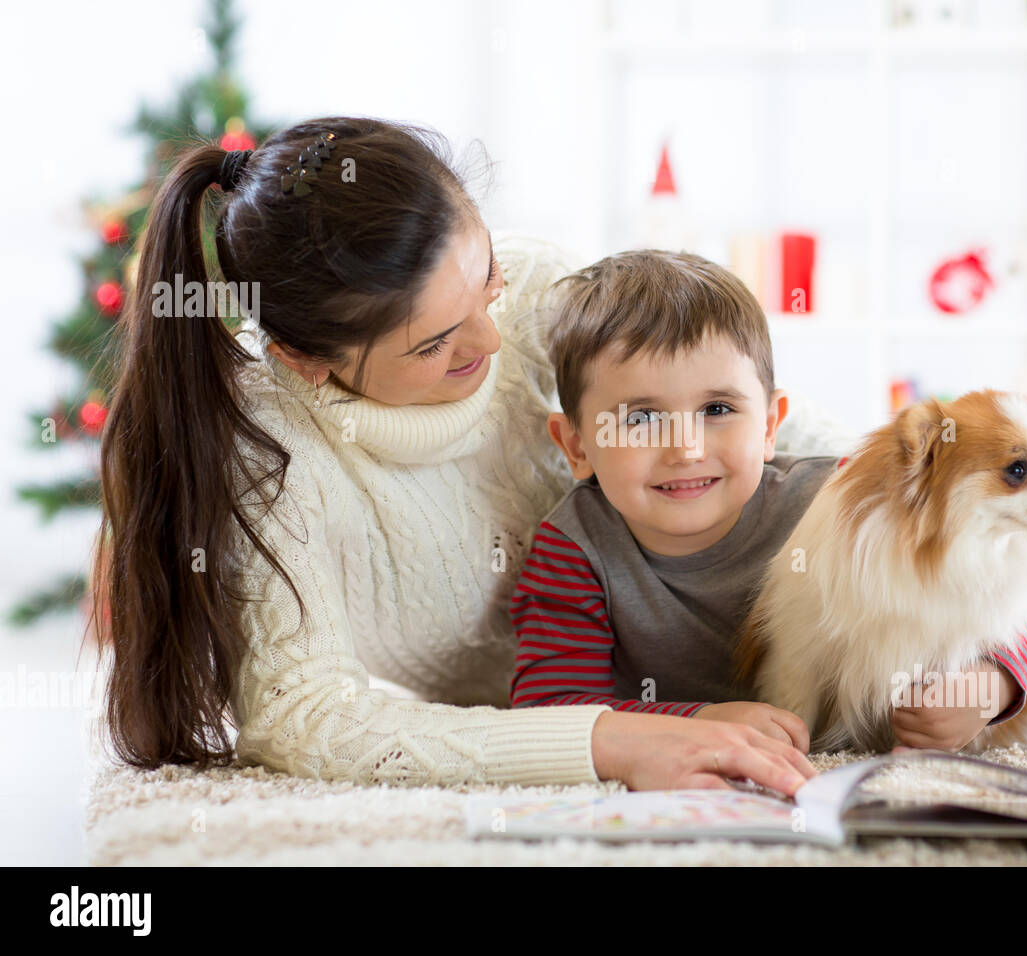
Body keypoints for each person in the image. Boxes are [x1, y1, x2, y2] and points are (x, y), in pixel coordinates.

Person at [92, 117, 861, 795]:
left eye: (483, 281)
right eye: (435, 344)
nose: (494, 341)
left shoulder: (530, 289)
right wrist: (611, 741)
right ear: (304, 358)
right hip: (564, 703)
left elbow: (753, 413)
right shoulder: (274, 451)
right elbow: (305, 715)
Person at [509, 250, 1027, 752]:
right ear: (577, 446)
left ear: (769, 426)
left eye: (717, 409)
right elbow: (551, 710)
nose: (686, 450)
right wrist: (697, 721)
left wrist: (990, 686)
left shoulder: (832, 503)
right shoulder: (572, 549)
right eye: (642, 418)